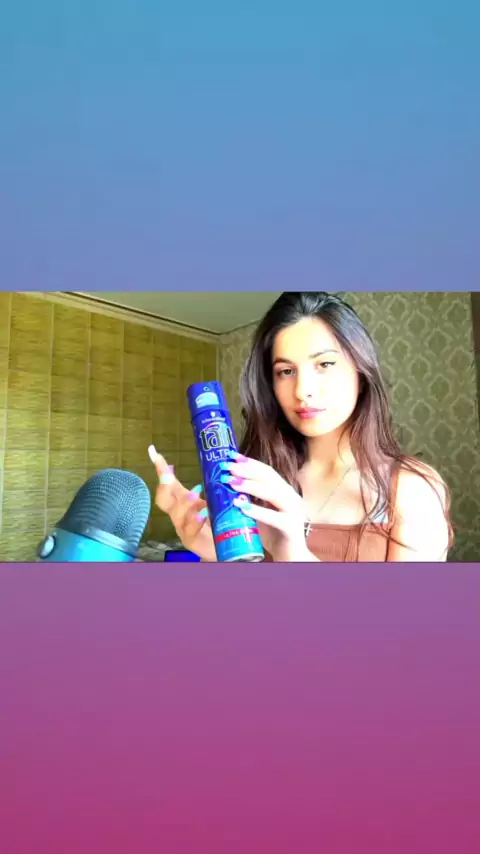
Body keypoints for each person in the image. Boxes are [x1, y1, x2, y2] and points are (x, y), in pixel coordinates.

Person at [149, 291, 453, 562]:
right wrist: (214, 558)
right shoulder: (256, 480)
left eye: (325, 364)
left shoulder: (411, 488)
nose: (302, 390)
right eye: (286, 371)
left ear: (360, 372)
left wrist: (293, 555)